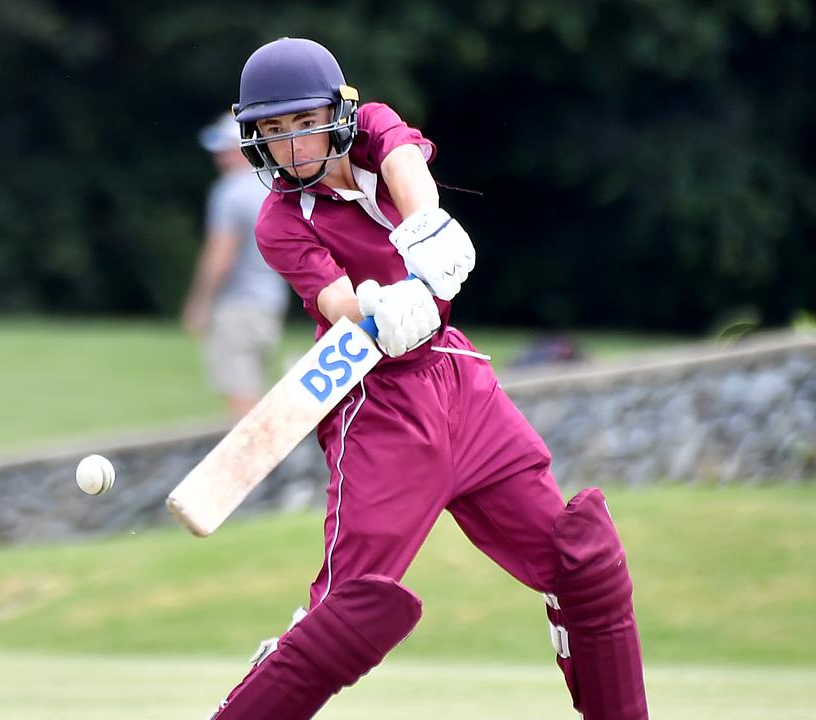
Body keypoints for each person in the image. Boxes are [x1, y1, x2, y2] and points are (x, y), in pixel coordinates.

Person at [207, 38, 649, 720]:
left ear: (338, 113)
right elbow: (334, 303)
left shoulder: (376, 126)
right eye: (272, 132)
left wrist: (426, 234)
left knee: (584, 566)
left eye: (302, 124)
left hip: (461, 384)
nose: (291, 148)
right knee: (346, 620)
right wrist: (381, 309)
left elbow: (404, 162)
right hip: (378, 407)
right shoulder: (277, 224)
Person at [182, 113, 290, 420]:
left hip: (237, 306)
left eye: (225, 149)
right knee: (255, 391)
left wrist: (200, 302)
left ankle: (255, 467)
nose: (219, 156)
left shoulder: (229, 192)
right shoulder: (272, 186)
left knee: (240, 405)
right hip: (270, 304)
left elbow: (221, 254)